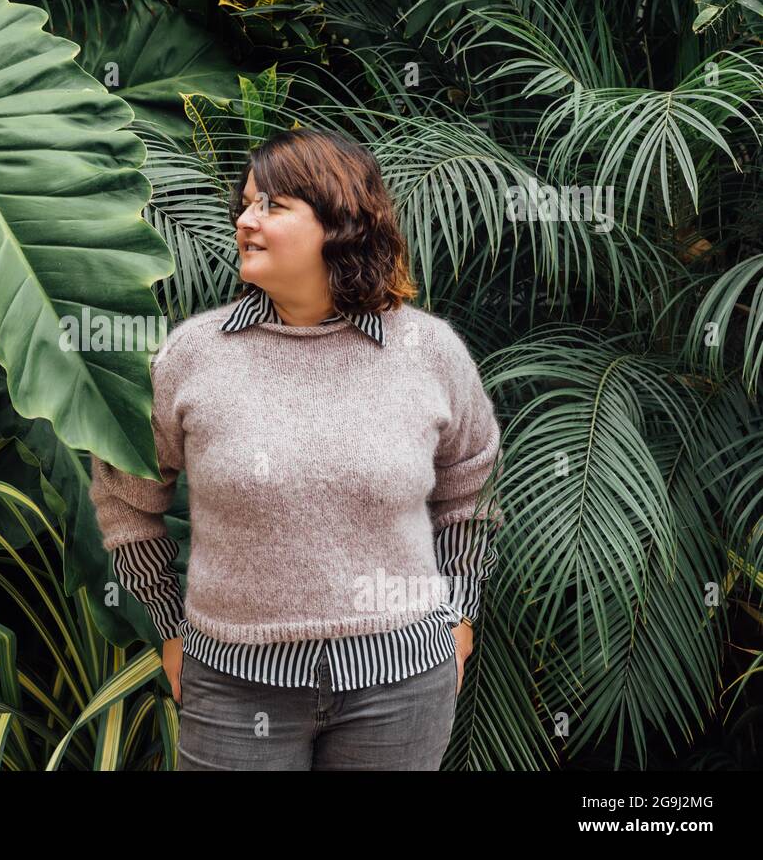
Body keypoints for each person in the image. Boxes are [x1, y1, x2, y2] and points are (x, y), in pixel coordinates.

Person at [87, 127, 505, 770]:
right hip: (231, 685)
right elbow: (126, 498)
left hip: (400, 684)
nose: (245, 221)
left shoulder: (427, 352)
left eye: (272, 206)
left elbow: (469, 492)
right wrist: (169, 626)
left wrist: (460, 615)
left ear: (339, 223)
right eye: (245, 206)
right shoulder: (193, 357)